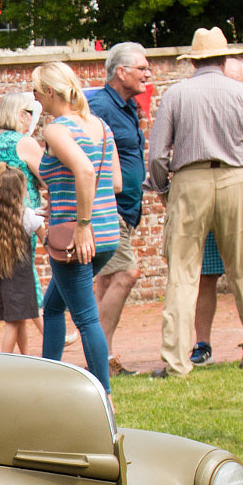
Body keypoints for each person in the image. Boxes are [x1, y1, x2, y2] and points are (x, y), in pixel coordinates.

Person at [145, 28, 243, 378]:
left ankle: (176, 362)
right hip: (235, 178)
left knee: (183, 273)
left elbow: (158, 155)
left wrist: (162, 188)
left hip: (189, 181)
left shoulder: (176, 94)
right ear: (224, 59)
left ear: (191, 60)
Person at [29, 60, 120, 390]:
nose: (35, 99)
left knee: (86, 318)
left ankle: (105, 396)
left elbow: (84, 172)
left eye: (37, 92)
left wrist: (81, 224)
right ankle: (49, 380)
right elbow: (116, 182)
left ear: (50, 92)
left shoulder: (57, 129)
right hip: (108, 235)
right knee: (53, 307)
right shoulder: (100, 127)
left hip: (77, 238)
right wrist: (59, 202)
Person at [191, 57, 243, 365]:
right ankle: (202, 345)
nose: (237, 87)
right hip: (210, 203)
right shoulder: (205, 110)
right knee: (206, 276)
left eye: (242, 82)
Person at [89, 42, 154, 376]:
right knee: (127, 274)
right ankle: (101, 360)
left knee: (107, 281)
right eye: (142, 68)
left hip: (126, 210)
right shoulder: (98, 106)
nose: (148, 73)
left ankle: (103, 357)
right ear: (121, 72)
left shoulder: (127, 106)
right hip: (107, 208)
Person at [0, 92, 46, 351]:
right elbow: (45, 177)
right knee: (24, 277)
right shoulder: (24, 142)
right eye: (27, 112)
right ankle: (50, 332)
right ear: (17, 114)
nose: (30, 118)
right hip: (22, 220)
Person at [0, 162, 44, 354]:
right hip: (22, 277)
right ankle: (6, 360)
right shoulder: (29, 215)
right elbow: (48, 240)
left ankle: (25, 357)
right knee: (14, 322)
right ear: (20, 190)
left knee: (19, 319)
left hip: (1, 273)